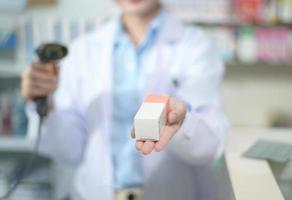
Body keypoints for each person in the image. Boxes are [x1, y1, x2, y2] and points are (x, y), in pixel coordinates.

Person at [21, 0, 229, 199]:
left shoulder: (195, 46)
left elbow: (208, 145)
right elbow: (71, 150)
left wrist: (181, 122)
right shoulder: (83, 50)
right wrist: (45, 106)